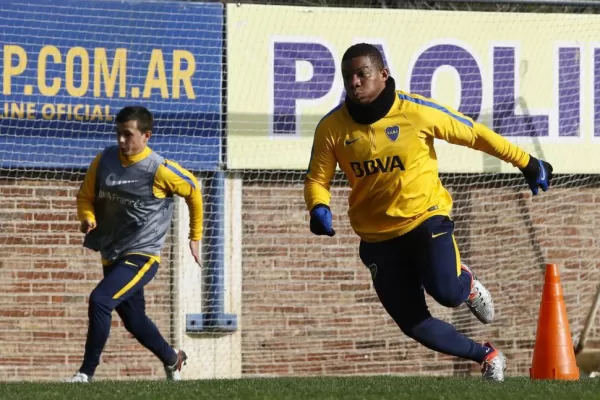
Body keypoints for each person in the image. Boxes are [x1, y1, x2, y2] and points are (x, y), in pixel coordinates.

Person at [304, 43, 553, 382]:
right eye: (348, 77)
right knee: (414, 325)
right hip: (377, 238)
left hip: (426, 219)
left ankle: (465, 285)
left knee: (448, 293)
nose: (355, 83)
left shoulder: (415, 111)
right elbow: (317, 178)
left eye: (362, 74)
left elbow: (474, 134)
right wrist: (318, 206)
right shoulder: (332, 128)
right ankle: (487, 355)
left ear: (383, 75)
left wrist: (526, 161)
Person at [67, 106, 203, 383]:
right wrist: (88, 217)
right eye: (118, 134)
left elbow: (194, 190)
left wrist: (195, 236)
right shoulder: (104, 160)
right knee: (134, 320)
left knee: (100, 300)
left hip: (143, 255)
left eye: (127, 135)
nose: (121, 141)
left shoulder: (159, 169)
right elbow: (85, 197)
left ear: (146, 136)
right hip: (112, 252)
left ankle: (85, 374)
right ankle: (173, 359)